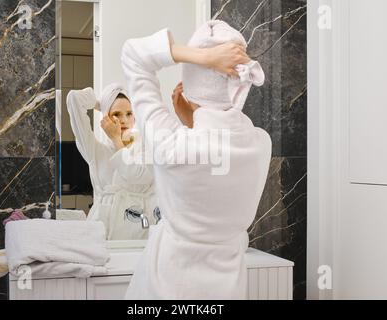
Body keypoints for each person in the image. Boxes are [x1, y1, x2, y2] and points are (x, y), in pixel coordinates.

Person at [121, 20, 272, 299]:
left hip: (167, 287)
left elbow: (133, 54)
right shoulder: (260, 143)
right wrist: (191, 120)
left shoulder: (171, 144)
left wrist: (205, 58)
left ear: (190, 85)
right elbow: (215, 155)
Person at [66, 84, 158, 240]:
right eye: (116, 114)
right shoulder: (96, 150)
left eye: (129, 113)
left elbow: (137, 175)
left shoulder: (146, 148)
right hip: (100, 230)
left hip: (135, 232)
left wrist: (117, 140)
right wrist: (99, 104)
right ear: (106, 118)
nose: (124, 120)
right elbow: (74, 98)